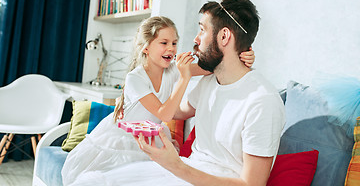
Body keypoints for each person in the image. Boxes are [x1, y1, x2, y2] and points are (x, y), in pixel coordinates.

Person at [61, 16, 255, 186]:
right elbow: (164, 114)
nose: (171, 48)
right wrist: (184, 78)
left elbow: (211, 68)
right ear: (146, 47)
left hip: (151, 136)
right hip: (124, 139)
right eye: (164, 43)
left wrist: (240, 56)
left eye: (174, 43)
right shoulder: (135, 78)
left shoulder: (171, 70)